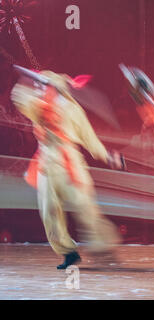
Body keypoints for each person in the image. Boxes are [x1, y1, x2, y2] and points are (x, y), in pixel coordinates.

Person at [11, 70, 124, 269]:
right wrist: (27, 82)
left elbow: (90, 139)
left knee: (85, 208)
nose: (42, 89)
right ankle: (68, 252)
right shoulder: (38, 107)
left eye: (46, 86)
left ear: (56, 88)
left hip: (70, 163)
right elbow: (19, 98)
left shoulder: (72, 110)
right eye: (42, 86)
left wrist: (108, 156)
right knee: (49, 213)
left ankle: (103, 246)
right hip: (47, 164)